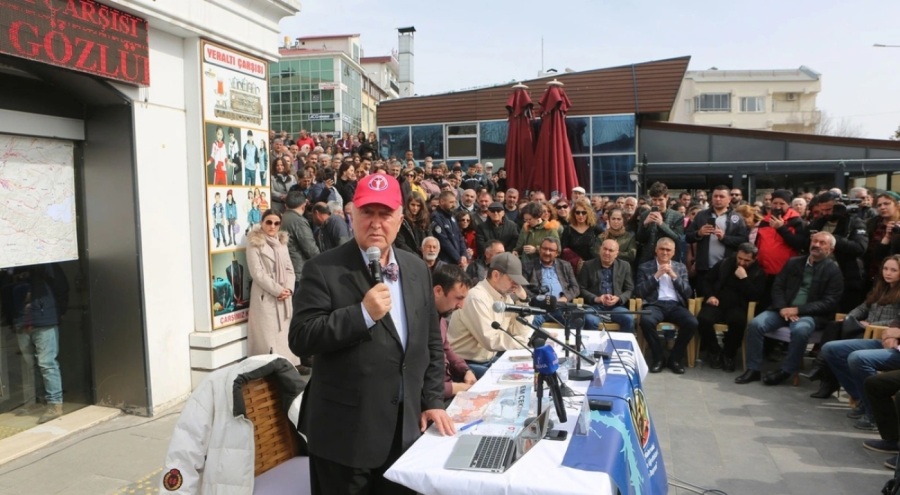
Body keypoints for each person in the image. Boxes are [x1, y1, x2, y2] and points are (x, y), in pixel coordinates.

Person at [289, 172, 453, 495]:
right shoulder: (323, 268)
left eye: (385, 214)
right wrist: (361, 315)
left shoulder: (417, 268)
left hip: (405, 432)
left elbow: (430, 343)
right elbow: (301, 337)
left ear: (400, 218)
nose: (376, 223)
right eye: (367, 212)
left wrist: (433, 399)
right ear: (352, 215)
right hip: (345, 441)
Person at [736, 232, 843, 386]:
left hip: (810, 314)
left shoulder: (833, 271)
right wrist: (782, 307)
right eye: (815, 241)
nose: (817, 245)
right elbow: (778, 286)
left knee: (800, 330)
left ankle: (786, 371)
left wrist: (798, 310)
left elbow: (829, 302)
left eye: (822, 243)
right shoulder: (794, 262)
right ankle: (753, 369)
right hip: (782, 309)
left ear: (831, 250)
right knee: (756, 324)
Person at [811, 255, 900, 408]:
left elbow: (895, 322)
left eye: (893, 270)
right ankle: (859, 395)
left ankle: (824, 370)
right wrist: (849, 318)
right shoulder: (880, 288)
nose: (888, 273)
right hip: (865, 329)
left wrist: (870, 324)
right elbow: (863, 308)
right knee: (835, 326)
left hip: (878, 333)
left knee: (849, 352)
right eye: (885, 269)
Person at [0, 264, 68, 423]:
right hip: (20, 321)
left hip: (44, 319)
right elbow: (5, 294)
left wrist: (60, 312)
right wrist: (10, 320)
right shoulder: (9, 268)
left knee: (46, 363)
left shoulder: (44, 263)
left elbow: (61, 287)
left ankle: (54, 404)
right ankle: (39, 401)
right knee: (32, 364)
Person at [448, 252, 533, 378]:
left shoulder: (505, 297)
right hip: (465, 365)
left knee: (527, 374)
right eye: (512, 280)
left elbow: (516, 330)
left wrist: (523, 301)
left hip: (488, 360)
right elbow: (490, 341)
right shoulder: (476, 297)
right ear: (495, 275)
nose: (516, 285)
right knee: (513, 382)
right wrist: (523, 343)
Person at [696, 243, 765, 372]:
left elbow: (756, 296)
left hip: (738, 306)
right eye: (740, 258)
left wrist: (744, 279)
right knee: (703, 319)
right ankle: (714, 351)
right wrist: (710, 295)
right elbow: (706, 281)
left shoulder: (758, 272)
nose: (742, 262)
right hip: (717, 302)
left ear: (754, 259)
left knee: (738, 321)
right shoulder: (725, 263)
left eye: (746, 260)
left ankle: (729, 354)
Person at [634, 237, 698, 374]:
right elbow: (639, 292)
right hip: (654, 304)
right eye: (662, 249)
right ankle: (659, 358)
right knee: (646, 321)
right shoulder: (645, 267)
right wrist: (656, 276)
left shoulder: (680, 267)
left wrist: (674, 276)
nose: (664, 252)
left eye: (668, 250)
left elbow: (688, 293)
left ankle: (675, 359)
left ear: (673, 252)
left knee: (692, 322)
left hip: (675, 305)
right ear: (656, 250)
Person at [246, 210, 298, 365]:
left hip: (284, 295)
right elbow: (257, 272)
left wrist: (288, 289)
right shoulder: (254, 242)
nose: (272, 226)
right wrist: (277, 290)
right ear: (262, 222)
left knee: (283, 334)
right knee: (267, 337)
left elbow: (290, 268)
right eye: (269, 222)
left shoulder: (281, 243)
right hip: (266, 294)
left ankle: (287, 366)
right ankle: (268, 369)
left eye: (276, 223)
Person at [803, 192, 868, 312]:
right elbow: (804, 244)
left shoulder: (854, 222)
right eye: (822, 210)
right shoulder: (818, 222)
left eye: (828, 209)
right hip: (820, 275)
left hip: (846, 276)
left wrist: (832, 239)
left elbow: (860, 248)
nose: (825, 213)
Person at [685, 185, 749, 297]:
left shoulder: (737, 218)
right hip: (704, 268)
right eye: (715, 196)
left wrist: (724, 238)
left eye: (721, 196)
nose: (718, 199)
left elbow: (743, 241)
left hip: (726, 269)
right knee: (704, 299)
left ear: (729, 199)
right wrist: (698, 233)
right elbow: (687, 237)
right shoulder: (701, 215)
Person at [523, 237, 597, 329]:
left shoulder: (565, 265)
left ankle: (570, 344)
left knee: (577, 319)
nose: (547, 252)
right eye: (544, 249)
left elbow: (575, 287)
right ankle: (535, 343)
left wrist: (565, 298)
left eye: (551, 250)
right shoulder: (528, 266)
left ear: (557, 253)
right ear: (540, 249)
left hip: (560, 307)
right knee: (531, 321)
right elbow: (523, 288)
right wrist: (538, 299)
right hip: (539, 308)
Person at [432, 265, 477, 403]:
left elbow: (447, 349)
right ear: (438, 291)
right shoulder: (420, 323)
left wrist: (465, 370)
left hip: (447, 385)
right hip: (435, 397)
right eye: (458, 298)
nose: (461, 305)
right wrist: (458, 388)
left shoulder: (441, 318)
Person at [578, 239, 635, 333]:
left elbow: (630, 289)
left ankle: (621, 347)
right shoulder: (588, 265)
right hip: (594, 306)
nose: (607, 253)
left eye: (611, 250)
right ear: (600, 249)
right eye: (605, 249)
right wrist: (596, 298)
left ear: (616, 254)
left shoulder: (624, 266)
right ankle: (593, 347)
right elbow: (581, 288)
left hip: (616, 306)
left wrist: (619, 298)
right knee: (590, 320)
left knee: (628, 319)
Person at [636, 182, 685, 264]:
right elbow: (640, 239)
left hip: (669, 260)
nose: (657, 203)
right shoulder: (645, 214)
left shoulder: (677, 216)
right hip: (648, 260)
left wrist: (661, 224)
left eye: (660, 200)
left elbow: (678, 238)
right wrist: (645, 225)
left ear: (667, 198)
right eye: (654, 200)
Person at [561, 198, 602, 273]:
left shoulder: (594, 228)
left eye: (584, 212)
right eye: (578, 212)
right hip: (573, 269)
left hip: (592, 267)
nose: (580, 215)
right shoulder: (568, 229)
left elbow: (604, 240)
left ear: (588, 213)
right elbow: (564, 250)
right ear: (574, 213)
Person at [431, 191, 468, 268]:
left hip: (457, 261)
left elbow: (460, 237)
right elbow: (444, 242)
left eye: (454, 202)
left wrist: (464, 255)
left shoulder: (452, 217)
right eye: (451, 202)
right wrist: (458, 258)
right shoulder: (436, 217)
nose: (454, 205)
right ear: (441, 202)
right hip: (445, 261)